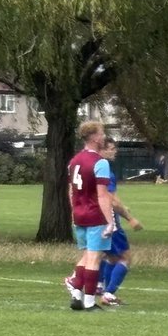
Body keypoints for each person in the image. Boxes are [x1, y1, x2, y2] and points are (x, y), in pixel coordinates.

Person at [65, 121, 116, 312]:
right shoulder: (100, 162)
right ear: (94, 137)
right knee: (95, 258)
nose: (103, 137)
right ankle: (89, 301)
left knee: (86, 255)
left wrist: (74, 211)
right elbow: (102, 195)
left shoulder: (74, 160)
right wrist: (110, 221)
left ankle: (76, 295)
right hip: (95, 214)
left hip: (79, 213)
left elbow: (71, 190)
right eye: (102, 133)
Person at [97, 137, 143, 306]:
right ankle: (108, 293)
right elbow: (112, 201)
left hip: (96, 219)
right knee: (125, 257)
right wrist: (130, 218)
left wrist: (123, 206)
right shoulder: (106, 172)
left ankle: (101, 287)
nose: (115, 151)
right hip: (109, 220)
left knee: (108, 256)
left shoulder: (90, 168)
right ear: (101, 150)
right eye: (111, 148)